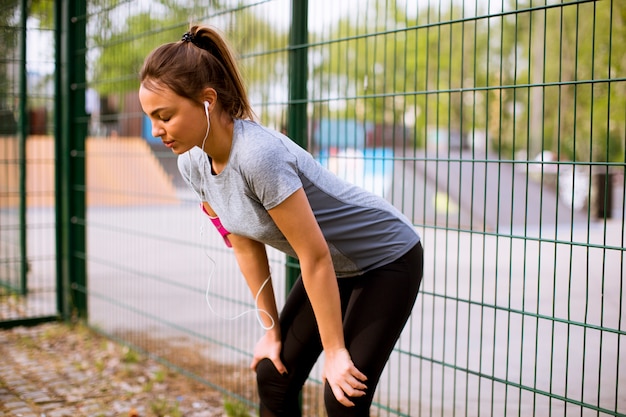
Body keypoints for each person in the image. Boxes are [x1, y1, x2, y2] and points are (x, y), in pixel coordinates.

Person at [139, 25, 424, 417]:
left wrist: (336, 352)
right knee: (274, 374)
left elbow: (315, 257)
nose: (156, 131)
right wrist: (272, 334)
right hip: (333, 266)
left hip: (386, 256)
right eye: (151, 118)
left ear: (207, 101)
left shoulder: (259, 156)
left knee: (342, 395)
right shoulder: (192, 162)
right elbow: (242, 242)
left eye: (164, 116)